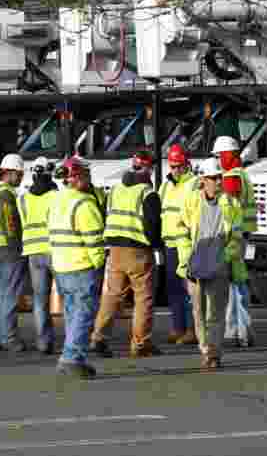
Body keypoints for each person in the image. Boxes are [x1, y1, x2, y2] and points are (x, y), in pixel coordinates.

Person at [91, 151, 163, 359]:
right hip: (138, 251)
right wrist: (157, 244)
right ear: (148, 169)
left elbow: (108, 215)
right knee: (144, 298)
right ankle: (140, 344)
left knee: (113, 295)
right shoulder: (147, 193)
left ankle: (98, 338)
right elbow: (152, 226)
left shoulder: (116, 189)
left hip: (115, 250)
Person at [178, 157, 245, 370]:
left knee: (215, 313)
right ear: (203, 180)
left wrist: (225, 257)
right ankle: (205, 348)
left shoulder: (231, 203)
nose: (218, 181)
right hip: (195, 266)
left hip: (219, 267)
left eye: (219, 178)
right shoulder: (191, 201)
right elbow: (181, 230)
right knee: (198, 312)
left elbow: (237, 236)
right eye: (214, 178)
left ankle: (214, 353)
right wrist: (187, 258)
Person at [48, 157, 106, 379]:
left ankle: (74, 357)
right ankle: (72, 357)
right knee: (83, 314)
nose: (89, 180)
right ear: (77, 177)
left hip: (62, 265)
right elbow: (94, 239)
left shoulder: (57, 200)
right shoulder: (84, 203)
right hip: (82, 265)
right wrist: (99, 262)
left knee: (73, 313)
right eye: (86, 175)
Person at [0, 153, 29, 352]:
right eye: (19, 174)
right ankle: (10, 338)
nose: (21, 178)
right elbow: (10, 224)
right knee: (10, 295)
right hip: (8, 248)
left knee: (2, 294)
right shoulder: (5, 193)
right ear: (9, 173)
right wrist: (18, 248)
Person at [18, 156, 58, 354]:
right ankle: (73, 339)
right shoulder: (55, 196)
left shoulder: (23, 198)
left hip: (32, 252)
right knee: (67, 298)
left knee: (40, 300)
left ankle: (43, 342)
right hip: (54, 250)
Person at [159, 144, 197, 345]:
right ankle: (177, 327)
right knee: (173, 288)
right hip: (170, 243)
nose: (175, 170)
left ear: (186, 163)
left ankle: (192, 329)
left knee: (189, 289)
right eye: (172, 166)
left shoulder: (193, 184)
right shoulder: (165, 185)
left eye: (179, 166)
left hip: (187, 244)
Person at [223, 166, 255, 347]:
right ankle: (239, 333)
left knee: (236, 296)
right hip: (231, 258)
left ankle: (238, 333)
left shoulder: (231, 205)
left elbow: (234, 234)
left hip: (233, 259)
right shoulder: (229, 205)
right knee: (237, 297)